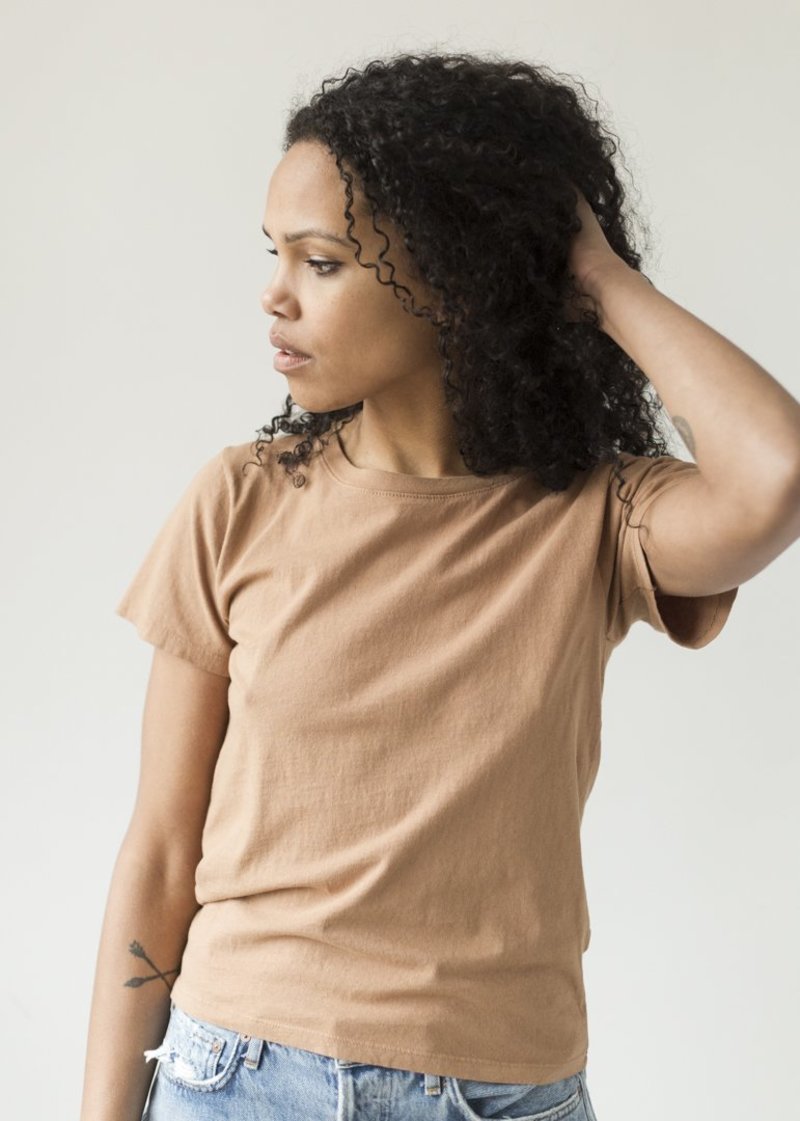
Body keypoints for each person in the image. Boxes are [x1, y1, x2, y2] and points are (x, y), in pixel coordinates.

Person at [79, 50, 800, 1121]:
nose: (274, 293)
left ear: (454, 276)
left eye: (322, 261)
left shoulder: (596, 515)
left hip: (502, 1093)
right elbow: (159, 846)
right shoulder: (242, 500)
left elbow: (774, 475)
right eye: (277, 254)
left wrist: (598, 278)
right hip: (238, 1077)